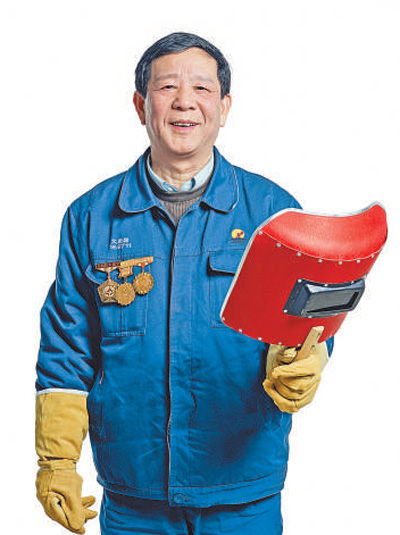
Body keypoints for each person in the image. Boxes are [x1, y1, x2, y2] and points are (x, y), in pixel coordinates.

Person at [35, 32, 332, 535]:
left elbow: (306, 323)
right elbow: (67, 346)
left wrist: (308, 360)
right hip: (134, 492)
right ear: (140, 105)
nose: (184, 101)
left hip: (243, 487)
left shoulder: (272, 212)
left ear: (224, 107)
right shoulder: (90, 217)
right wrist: (57, 462)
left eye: (202, 88)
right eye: (167, 86)